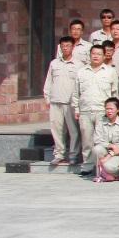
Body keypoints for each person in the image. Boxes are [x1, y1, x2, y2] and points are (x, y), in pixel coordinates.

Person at [74, 45, 119, 175]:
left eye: (99, 54)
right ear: (90, 55)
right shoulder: (81, 72)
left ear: (104, 56)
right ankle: (87, 165)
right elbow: (76, 93)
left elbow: (114, 93)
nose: (95, 56)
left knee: (103, 140)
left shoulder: (110, 71)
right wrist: (76, 109)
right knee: (87, 140)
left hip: (103, 112)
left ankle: (103, 165)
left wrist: (113, 111)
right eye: (93, 53)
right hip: (86, 111)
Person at [43, 36, 80, 168]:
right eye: (63, 46)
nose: (65, 48)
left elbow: (79, 85)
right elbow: (48, 81)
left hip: (70, 103)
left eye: (68, 46)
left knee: (73, 131)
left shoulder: (79, 65)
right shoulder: (54, 63)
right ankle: (59, 154)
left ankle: (73, 155)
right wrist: (47, 98)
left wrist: (77, 104)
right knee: (57, 130)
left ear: (73, 47)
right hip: (55, 101)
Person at [91, 97, 119, 182]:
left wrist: (109, 156)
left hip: (117, 154)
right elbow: (97, 140)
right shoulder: (101, 122)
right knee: (96, 149)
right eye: (107, 109)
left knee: (110, 167)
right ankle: (102, 174)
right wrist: (110, 145)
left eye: (111, 109)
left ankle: (115, 174)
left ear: (118, 110)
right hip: (105, 150)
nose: (109, 111)